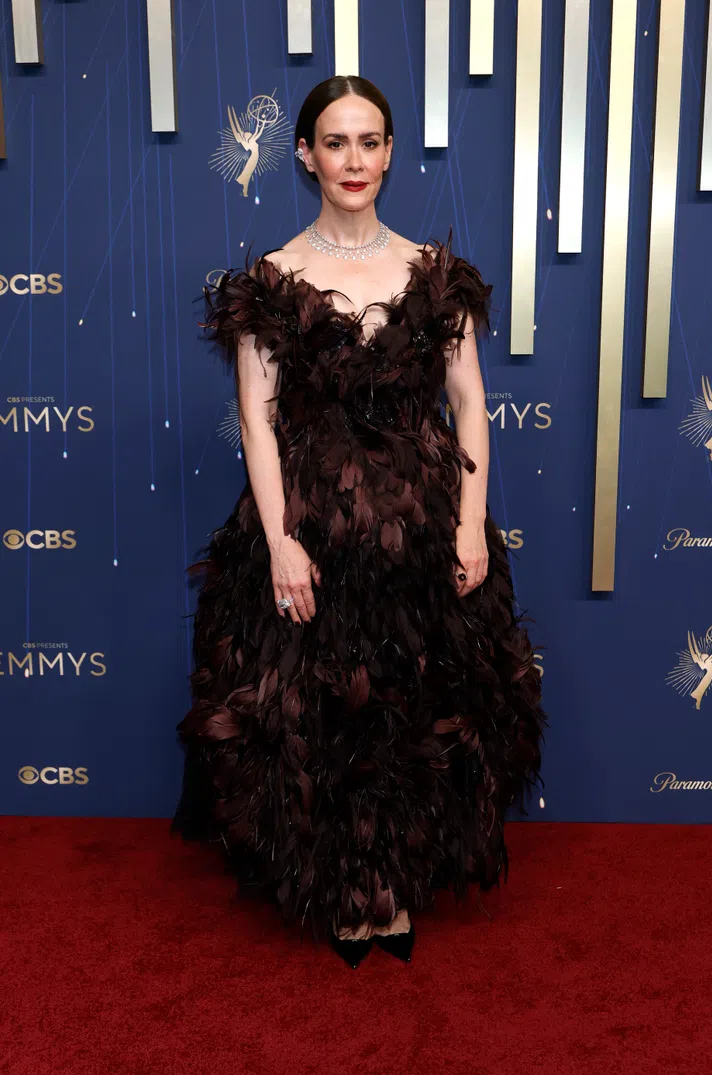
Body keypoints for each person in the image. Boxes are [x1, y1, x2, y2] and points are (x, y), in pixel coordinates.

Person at [171, 75, 548, 969]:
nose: (354, 160)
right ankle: (346, 891)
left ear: (390, 151)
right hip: (312, 529)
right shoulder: (271, 280)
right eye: (335, 142)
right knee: (323, 714)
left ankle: (395, 888)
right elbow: (258, 423)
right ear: (304, 155)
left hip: (420, 530)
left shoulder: (434, 274)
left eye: (370, 141)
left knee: (416, 703)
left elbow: (470, 407)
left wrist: (468, 525)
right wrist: (279, 543)